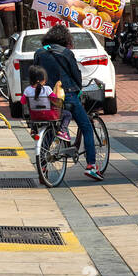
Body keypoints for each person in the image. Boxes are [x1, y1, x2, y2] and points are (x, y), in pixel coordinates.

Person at [33, 24, 102, 181]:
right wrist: (78, 88)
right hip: (67, 94)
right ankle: (91, 166)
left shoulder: (39, 52)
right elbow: (76, 74)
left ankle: (42, 166)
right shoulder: (66, 53)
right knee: (86, 127)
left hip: (45, 96)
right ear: (65, 39)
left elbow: (33, 72)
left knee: (52, 128)